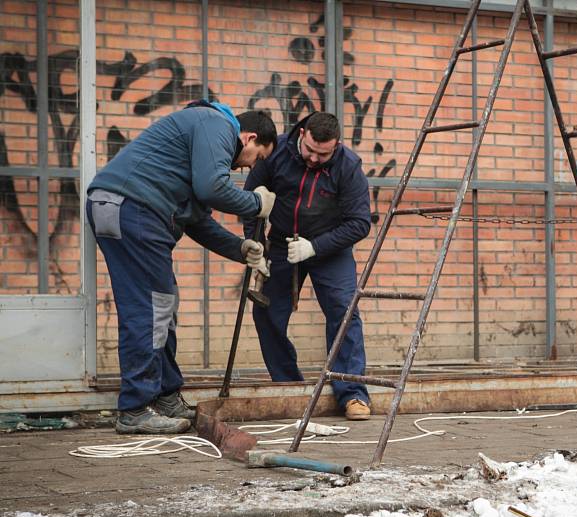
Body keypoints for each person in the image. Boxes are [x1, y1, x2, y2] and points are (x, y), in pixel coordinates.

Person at [86, 100, 277, 434]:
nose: (248, 169)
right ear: (248, 138)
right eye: (256, 158)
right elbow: (213, 189)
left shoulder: (198, 139)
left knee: (163, 305)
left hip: (128, 207)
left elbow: (197, 220)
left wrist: (239, 248)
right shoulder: (217, 125)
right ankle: (134, 408)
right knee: (151, 308)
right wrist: (257, 202)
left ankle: (165, 395)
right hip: (133, 208)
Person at [243, 112, 372, 421]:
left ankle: (352, 393)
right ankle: (287, 384)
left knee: (344, 311)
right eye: (310, 149)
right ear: (302, 133)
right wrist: (255, 244)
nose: (314, 158)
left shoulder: (349, 167)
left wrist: (315, 247)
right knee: (266, 311)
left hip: (330, 248)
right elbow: (249, 201)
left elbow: (359, 223)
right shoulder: (277, 154)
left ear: (336, 145)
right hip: (282, 244)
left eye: (323, 154)